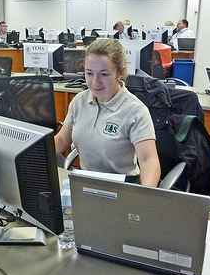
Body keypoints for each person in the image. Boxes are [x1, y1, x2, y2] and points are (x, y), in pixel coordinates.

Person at [54, 38, 161, 187]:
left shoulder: (135, 110)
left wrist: (145, 196)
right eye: (89, 73)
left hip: (123, 186)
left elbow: (149, 160)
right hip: (86, 183)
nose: (95, 82)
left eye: (104, 74)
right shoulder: (80, 101)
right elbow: (61, 140)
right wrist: (30, 159)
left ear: (121, 72)